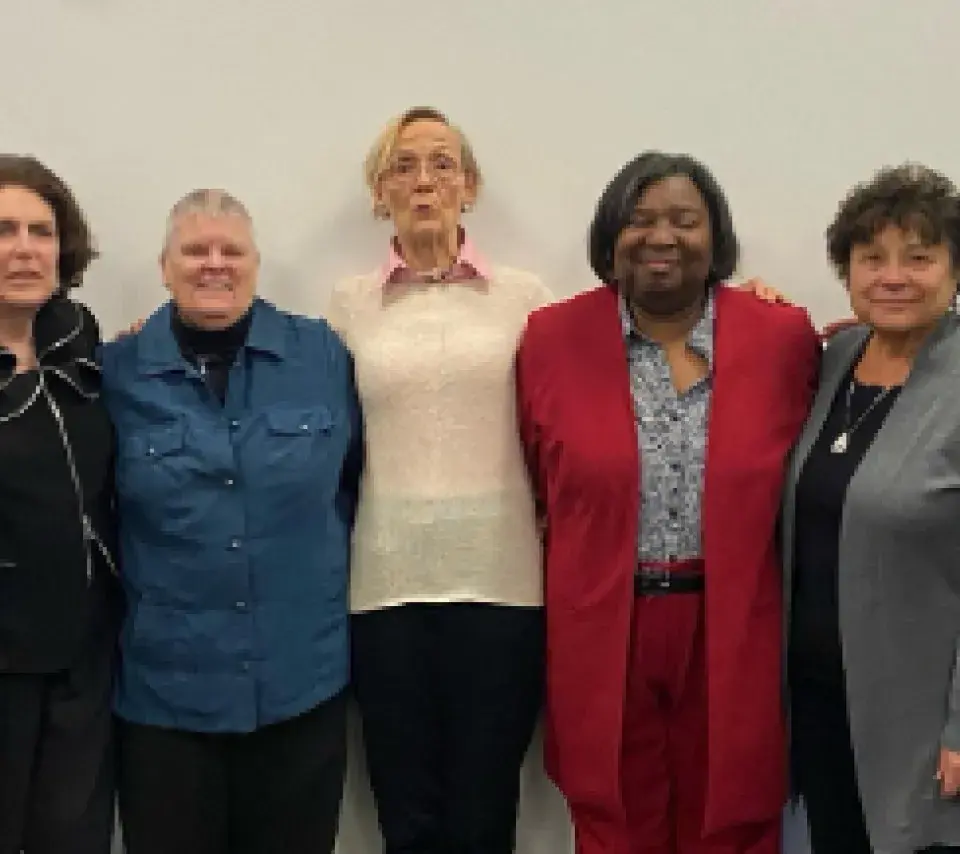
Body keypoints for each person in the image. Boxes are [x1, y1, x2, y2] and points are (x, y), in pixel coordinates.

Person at [516, 151, 820, 854]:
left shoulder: (781, 338)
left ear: (716, 238)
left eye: (685, 220)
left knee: (735, 815)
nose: (661, 237)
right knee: (616, 821)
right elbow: (538, 474)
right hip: (605, 624)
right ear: (610, 236)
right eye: (640, 220)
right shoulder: (553, 339)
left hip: (735, 623)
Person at [102, 189, 361, 854]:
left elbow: (359, 482)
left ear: (255, 263)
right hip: (166, 699)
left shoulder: (323, 356)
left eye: (231, 251)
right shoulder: (115, 373)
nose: (214, 264)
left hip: (300, 687)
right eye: (195, 250)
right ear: (165, 268)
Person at [323, 105, 551, 854]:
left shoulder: (525, 298)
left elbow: (592, 379)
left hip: (503, 585)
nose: (424, 180)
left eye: (442, 164)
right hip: (385, 589)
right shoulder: (347, 306)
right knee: (406, 815)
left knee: (486, 811)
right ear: (379, 191)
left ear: (469, 187)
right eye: (404, 165)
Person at [783, 163, 960, 854]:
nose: (893, 277)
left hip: (921, 717)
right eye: (871, 258)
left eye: (918, 258)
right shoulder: (839, 356)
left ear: (954, 271)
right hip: (822, 699)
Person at [0, 155, 119, 854]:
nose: (24, 249)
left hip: (85, 659)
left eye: (40, 232)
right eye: (4, 230)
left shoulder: (81, 340)